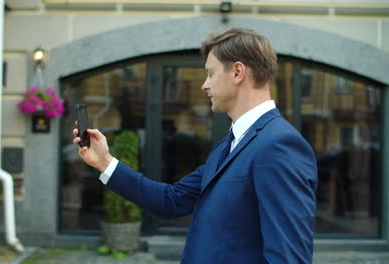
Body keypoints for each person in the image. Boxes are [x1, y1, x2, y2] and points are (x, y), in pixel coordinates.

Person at [73, 28, 317, 263]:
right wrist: (104, 161)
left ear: (237, 72)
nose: (204, 85)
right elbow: (171, 200)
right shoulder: (228, 146)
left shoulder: (280, 145)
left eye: (210, 74)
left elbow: (288, 258)